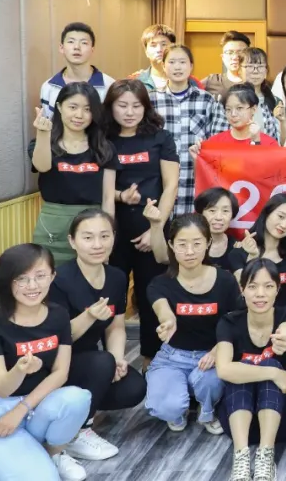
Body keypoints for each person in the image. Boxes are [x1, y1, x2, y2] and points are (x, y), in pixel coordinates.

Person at [0, 244, 93, 481]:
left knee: (77, 398)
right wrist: (19, 370)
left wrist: (22, 409)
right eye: (22, 279)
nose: (32, 286)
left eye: (40, 276)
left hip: (34, 407)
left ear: (52, 276)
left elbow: (60, 373)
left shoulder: (58, 315)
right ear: (7, 281)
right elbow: (2, 388)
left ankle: (50, 454)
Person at [49, 210, 146, 465]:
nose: (97, 244)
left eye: (104, 236)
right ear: (72, 241)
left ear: (114, 237)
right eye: (88, 237)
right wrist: (89, 316)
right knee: (101, 362)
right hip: (56, 364)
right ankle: (75, 433)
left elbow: (116, 326)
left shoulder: (116, 277)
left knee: (134, 388)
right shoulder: (59, 280)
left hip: (92, 362)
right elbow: (56, 338)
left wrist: (117, 359)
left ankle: (69, 413)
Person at [103, 78, 179, 363]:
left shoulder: (161, 137)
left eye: (136, 106)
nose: (129, 112)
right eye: (122, 105)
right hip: (115, 231)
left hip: (153, 230)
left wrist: (155, 229)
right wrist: (121, 196)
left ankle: (152, 361)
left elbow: (170, 185)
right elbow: (98, 186)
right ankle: (112, 361)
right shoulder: (104, 139)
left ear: (146, 107)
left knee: (152, 297)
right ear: (111, 107)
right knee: (114, 297)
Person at [144, 212, 240, 434]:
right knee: (166, 407)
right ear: (171, 245)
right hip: (173, 357)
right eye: (182, 244)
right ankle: (179, 406)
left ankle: (208, 410)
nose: (189, 251)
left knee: (210, 383)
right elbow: (163, 310)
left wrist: (217, 351)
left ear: (207, 243)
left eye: (197, 243)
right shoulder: (160, 284)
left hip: (212, 355)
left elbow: (235, 321)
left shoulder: (225, 280)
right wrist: (168, 322)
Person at [214, 258, 286, 481]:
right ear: (242, 290)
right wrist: (275, 373)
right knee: (249, 370)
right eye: (253, 286)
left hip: (281, 418)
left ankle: (266, 455)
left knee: (266, 363)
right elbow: (223, 370)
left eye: (268, 286)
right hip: (238, 420)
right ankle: (241, 457)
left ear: (278, 290)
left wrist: (285, 331)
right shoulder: (229, 322)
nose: (260, 294)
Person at [30, 82, 118, 264]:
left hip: (93, 226)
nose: (79, 115)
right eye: (73, 107)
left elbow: (108, 198)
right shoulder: (43, 142)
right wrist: (43, 134)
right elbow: (42, 166)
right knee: (50, 276)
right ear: (59, 107)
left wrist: (107, 237)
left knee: (91, 279)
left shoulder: (104, 148)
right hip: (53, 227)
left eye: (87, 109)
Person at [149, 45, 230, 217]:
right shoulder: (151, 100)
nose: (177, 67)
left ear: (191, 66)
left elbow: (219, 143)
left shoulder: (207, 100)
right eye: (172, 62)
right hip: (158, 184)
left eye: (182, 62)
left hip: (194, 185)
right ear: (163, 66)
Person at [228, 194, 286, 311]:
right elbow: (244, 290)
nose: (284, 225)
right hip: (249, 318)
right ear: (267, 213)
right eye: (280, 216)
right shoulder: (239, 253)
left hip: (284, 321)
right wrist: (253, 257)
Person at [39, 22, 114, 114]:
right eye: (71, 42)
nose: (77, 47)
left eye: (84, 43)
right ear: (61, 48)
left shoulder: (109, 86)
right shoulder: (48, 87)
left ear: (92, 49)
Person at [202, 84, 280, 150]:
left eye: (239, 108)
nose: (233, 114)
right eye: (228, 109)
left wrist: (256, 142)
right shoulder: (215, 142)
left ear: (253, 109)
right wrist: (197, 156)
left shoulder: (270, 144)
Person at [131, 24, 200, 92]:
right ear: (146, 52)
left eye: (164, 44)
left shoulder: (193, 82)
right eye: (153, 45)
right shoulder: (134, 81)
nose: (159, 49)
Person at [194, 187, 239, 271]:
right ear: (201, 213)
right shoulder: (189, 245)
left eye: (225, 211)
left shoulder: (237, 247)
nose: (218, 217)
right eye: (212, 211)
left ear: (232, 215)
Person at [202, 30, 251, 97]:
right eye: (229, 53)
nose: (235, 57)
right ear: (223, 57)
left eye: (240, 52)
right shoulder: (211, 81)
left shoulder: (257, 81)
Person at [242, 47, 278, 115]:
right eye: (250, 66)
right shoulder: (230, 99)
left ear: (266, 71)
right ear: (239, 70)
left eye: (260, 66)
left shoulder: (275, 101)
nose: (255, 71)